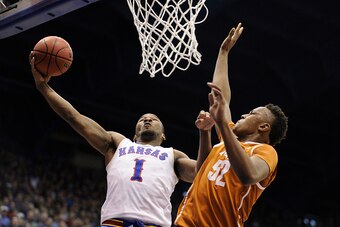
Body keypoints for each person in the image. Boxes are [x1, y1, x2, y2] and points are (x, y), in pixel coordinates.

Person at [29, 56, 197, 227]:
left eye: (153, 119)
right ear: (134, 135)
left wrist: (209, 130)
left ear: (163, 136)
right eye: (142, 119)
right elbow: (73, 117)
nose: (147, 120)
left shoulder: (172, 155)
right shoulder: (118, 144)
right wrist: (43, 86)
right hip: (114, 222)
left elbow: (203, 172)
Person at [174, 23, 288, 226]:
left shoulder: (266, 152)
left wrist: (222, 126)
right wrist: (223, 52)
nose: (244, 114)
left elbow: (249, 175)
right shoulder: (227, 140)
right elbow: (221, 97)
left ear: (263, 127)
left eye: (252, 113)